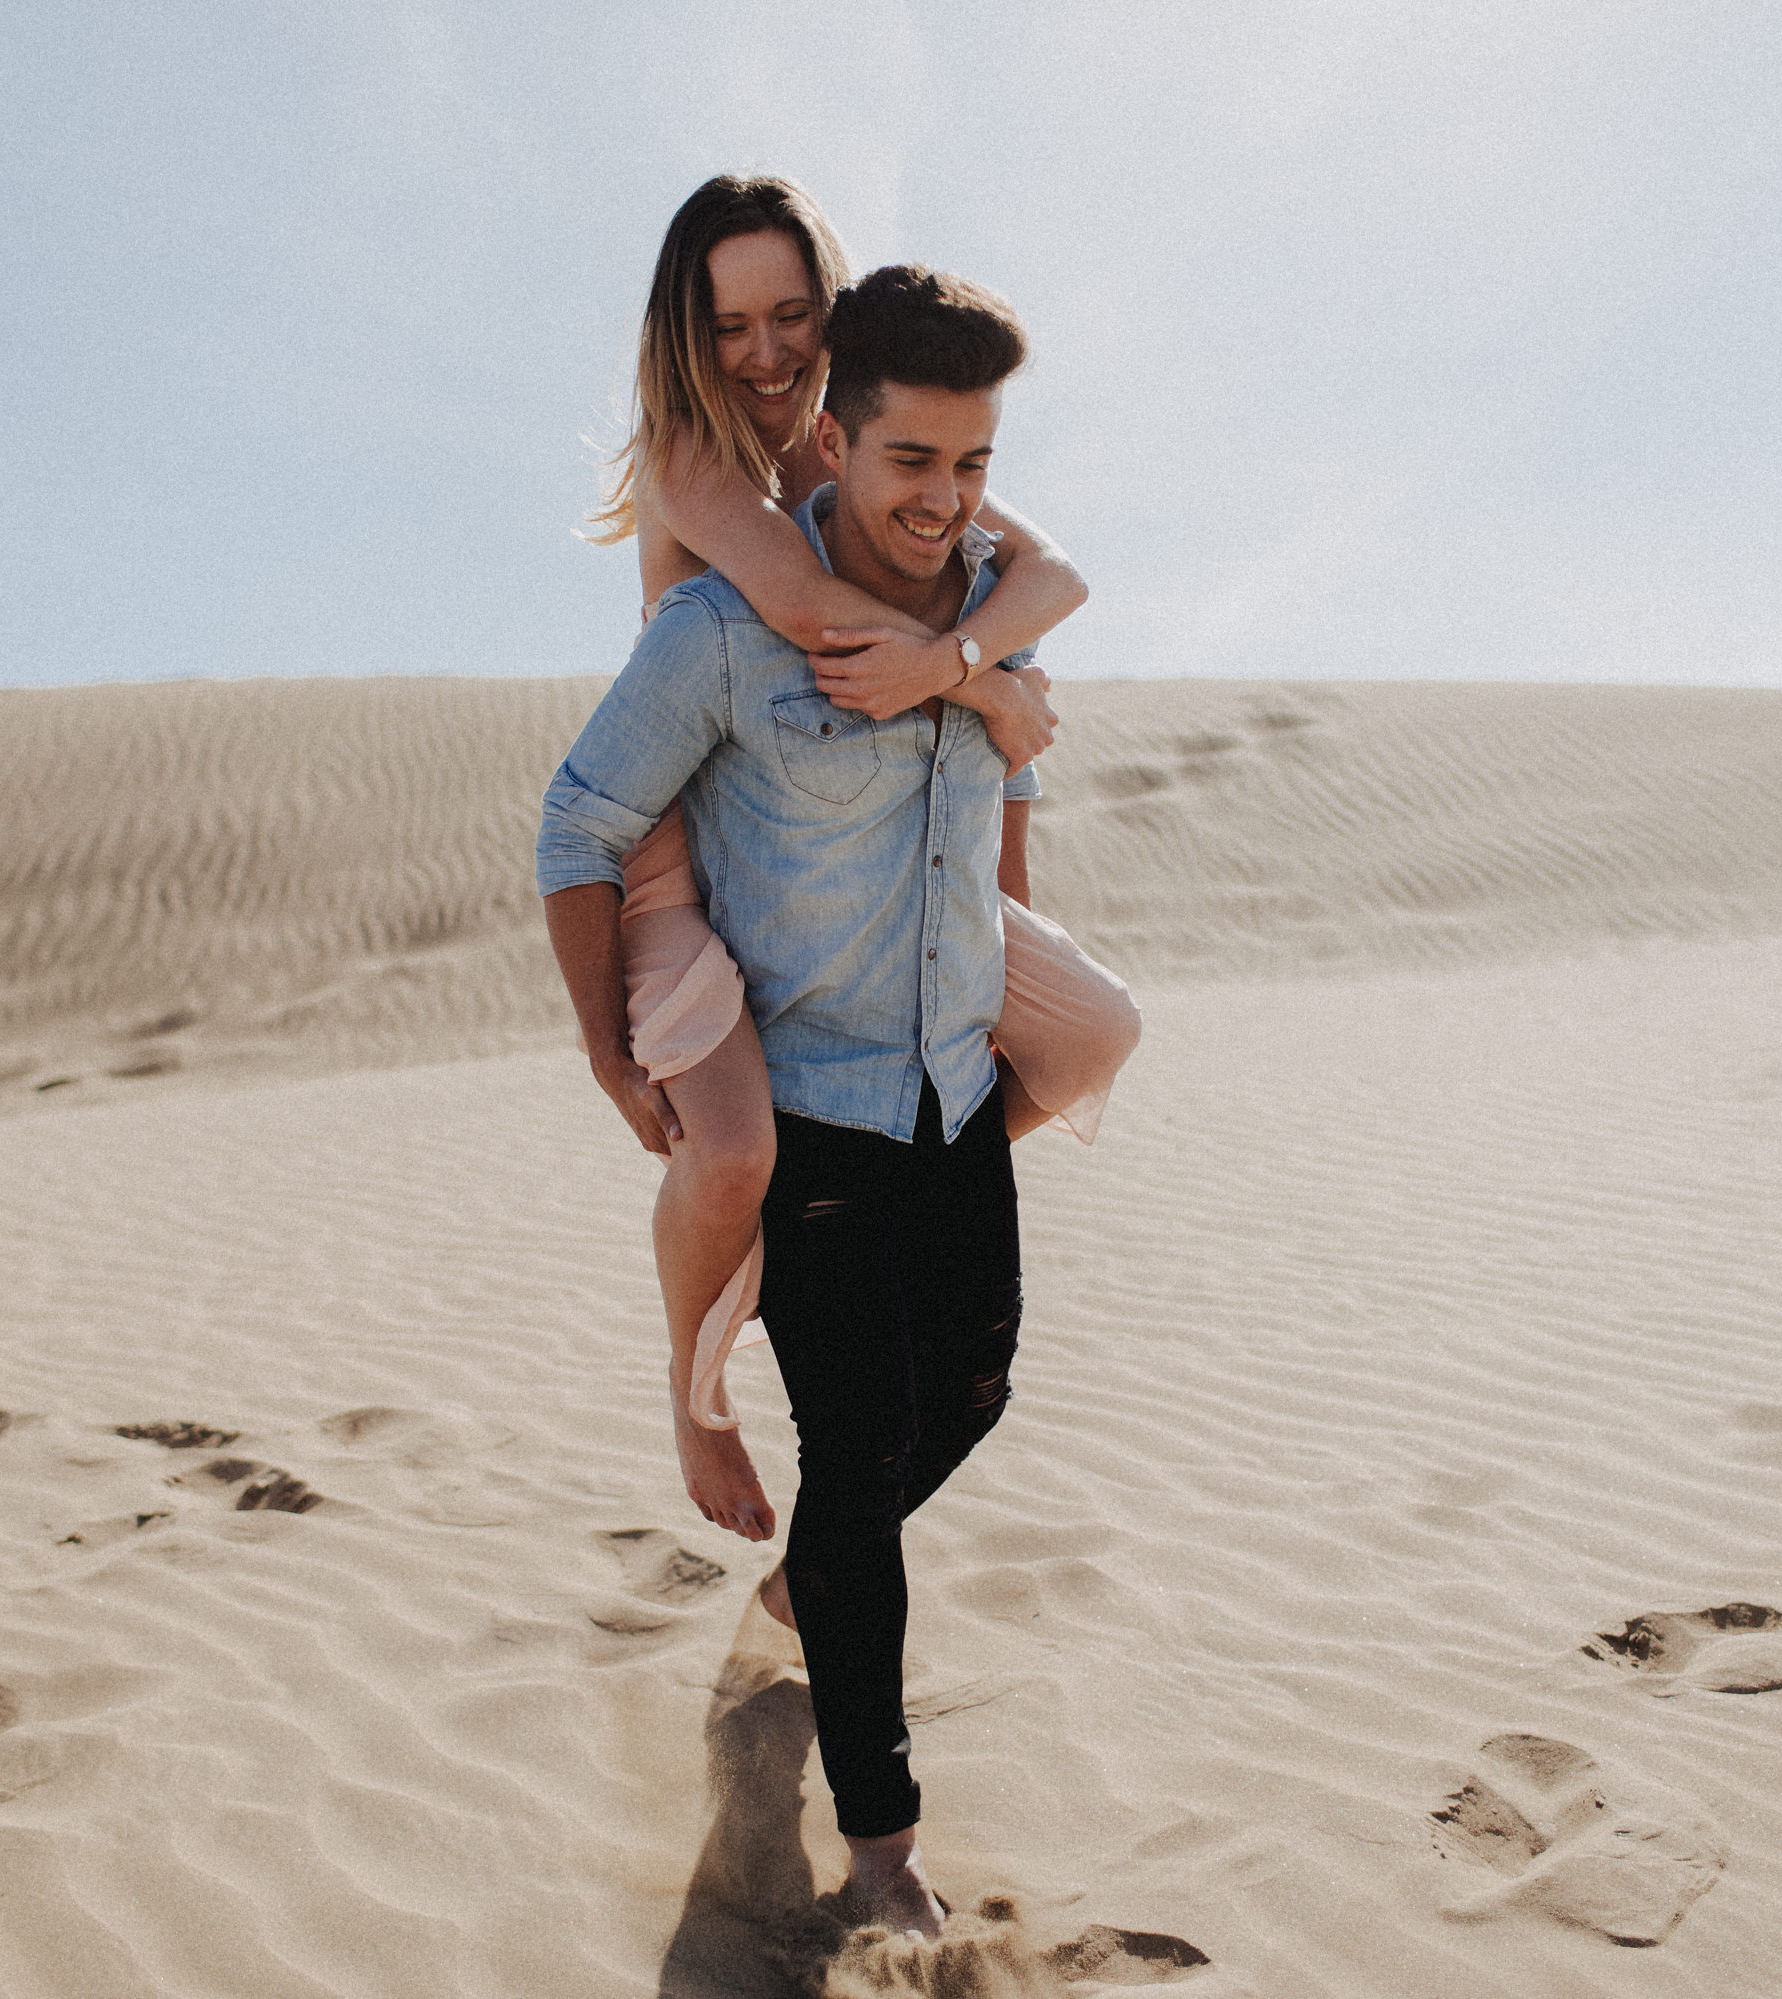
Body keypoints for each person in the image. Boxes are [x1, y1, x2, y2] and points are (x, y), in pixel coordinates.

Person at [541, 263, 1064, 1939]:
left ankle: (807, 1583)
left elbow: (1009, 821)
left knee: (969, 1391)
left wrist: (983, 693)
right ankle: (883, 1843)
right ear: (832, 439)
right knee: (855, 1454)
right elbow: (577, 825)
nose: (947, 500)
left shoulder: (988, 611)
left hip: (951, 1088)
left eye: (975, 463)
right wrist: (609, 1053)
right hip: (819, 1108)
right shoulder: (719, 634)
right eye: (915, 461)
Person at [582, 176, 1138, 1561]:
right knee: (733, 1151)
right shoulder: (692, 463)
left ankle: (870, 1192)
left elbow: (1053, 575)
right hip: (679, 854)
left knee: (1089, 1038)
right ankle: (695, 1392)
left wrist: (975, 664)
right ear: (684, 337)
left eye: (791, 315)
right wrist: (987, 686)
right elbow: (807, 613)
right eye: (730, 325)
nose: (765, 353)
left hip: (847, 843)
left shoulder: (870, 454)